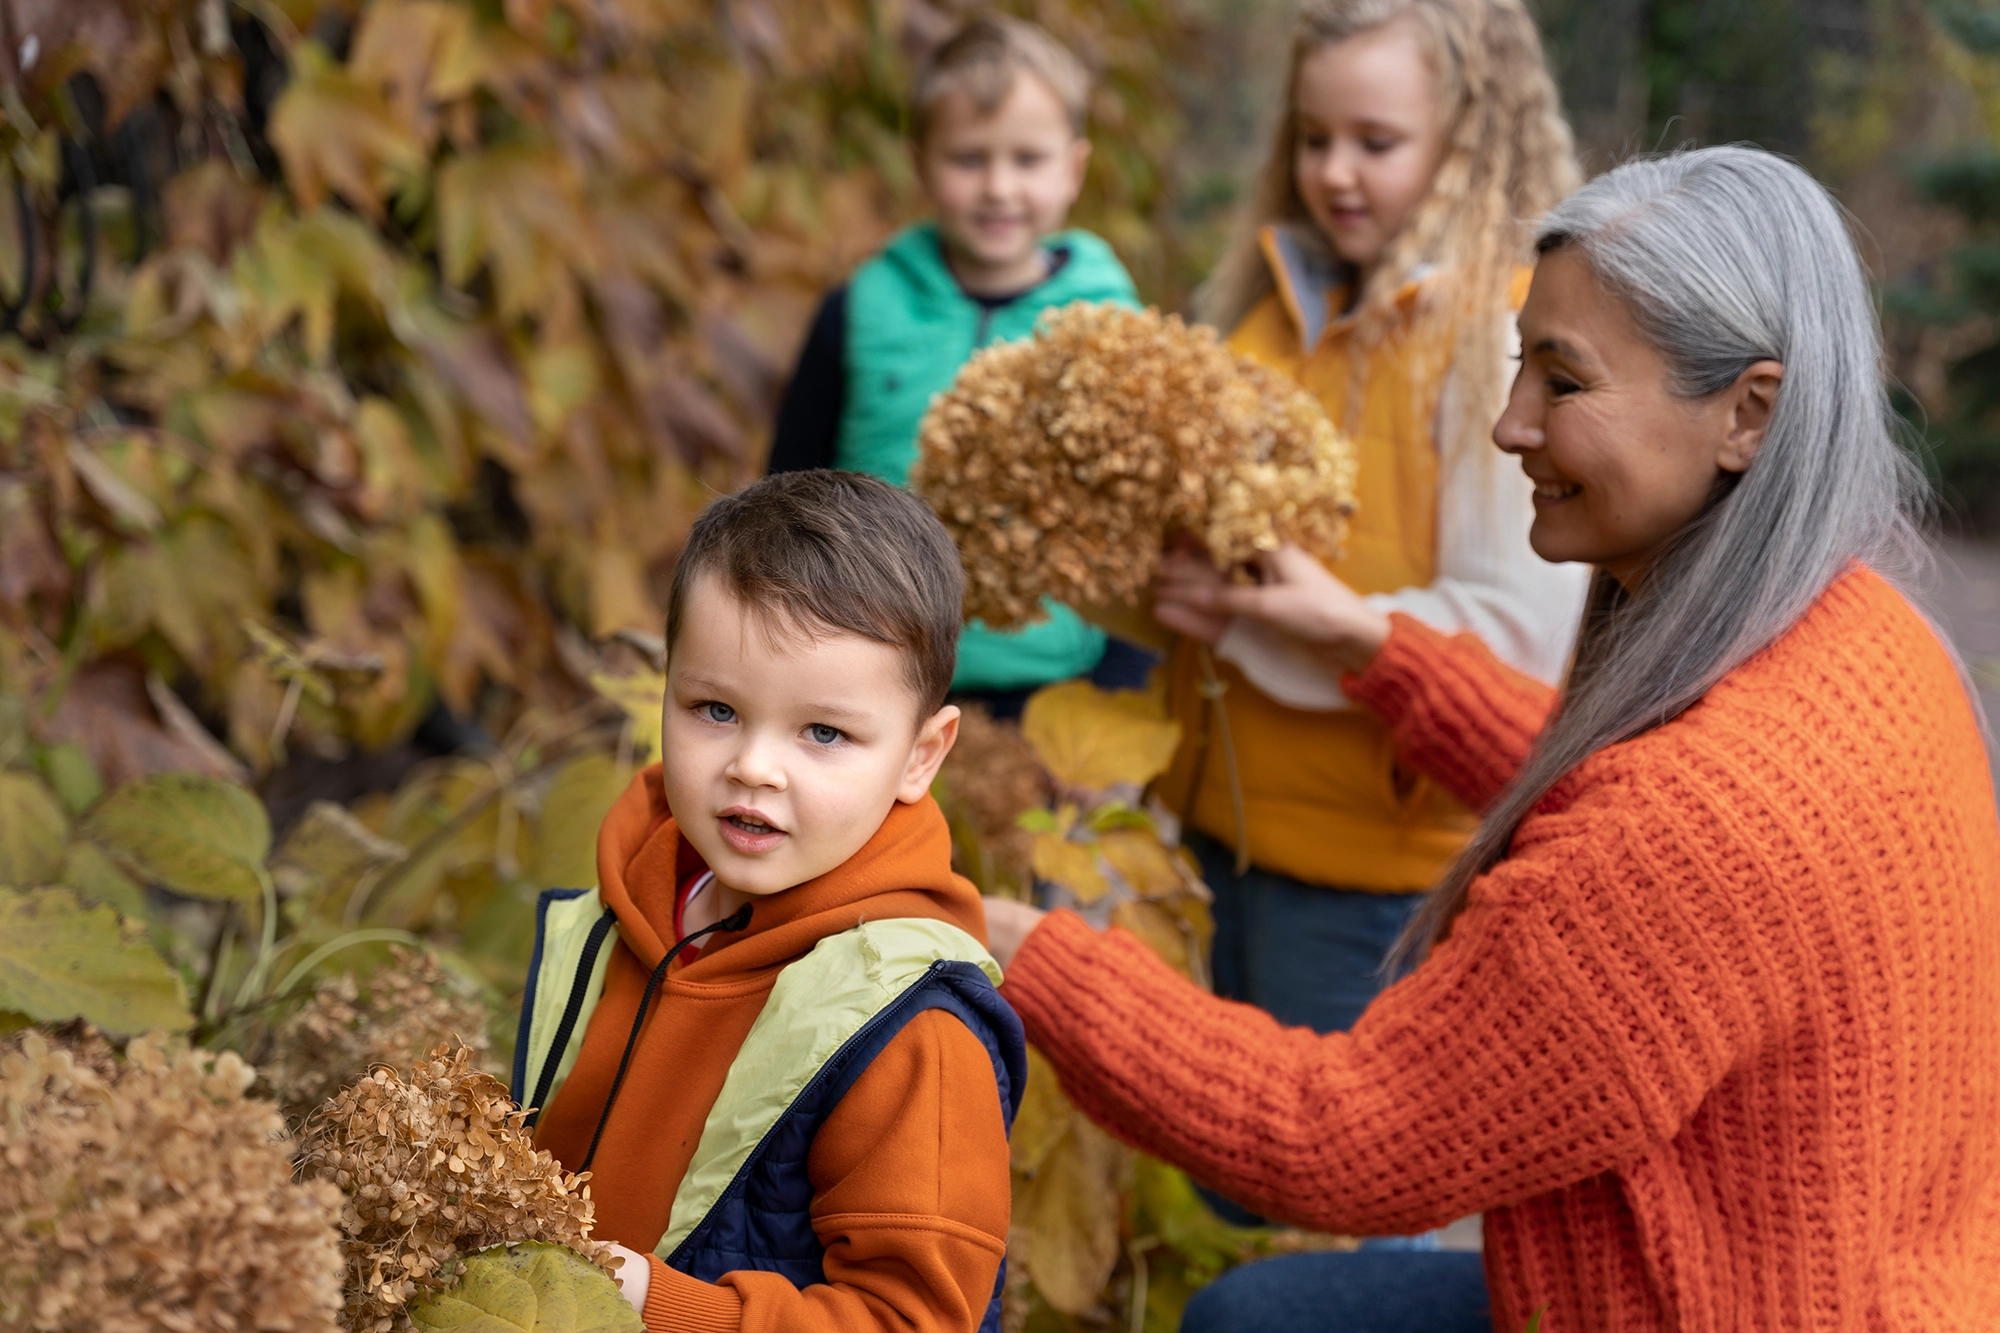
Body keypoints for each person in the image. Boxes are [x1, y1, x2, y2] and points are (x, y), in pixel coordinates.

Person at [985, 147, 2000, 1332]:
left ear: (1746, 411)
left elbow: (1337, 1139)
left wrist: (1020, 950)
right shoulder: (1857, 630)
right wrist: (1366, 645)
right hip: (1891, 1278)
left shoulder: (1694, 828)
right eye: (1521, 361)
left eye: (1562, 383)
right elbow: (1616, 800)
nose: (1511, 424)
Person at [1146, 0, 1591, 1086]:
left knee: (1317, 1198)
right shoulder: (1267, 310)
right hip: (1209, 827)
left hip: (1370, 878)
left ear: (1467, 140)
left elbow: (1515, 641)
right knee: (1210, 1177)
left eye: (1374, 143)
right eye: (1311, 138)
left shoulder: (1501, 340)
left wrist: (1291, 622)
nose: (1333, 173)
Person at [513, 471, 1025, 1333]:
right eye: (715, 708)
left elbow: (913, 1320)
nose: (754, 765)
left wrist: (652, 1302)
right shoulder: (635, 914)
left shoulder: (913, 1030)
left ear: (921, 755)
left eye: (823, 732)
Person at [766, 13, 1149, 716]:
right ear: (920, 164)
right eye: (969, 159)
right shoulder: (860, 309)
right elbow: (789, 491)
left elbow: (1145, 532)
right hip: (873, 678)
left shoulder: (1110, 323)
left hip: (1055, 688)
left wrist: (1119, 696)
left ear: (1073, 169)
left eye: (1027, 160)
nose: (999, 188)